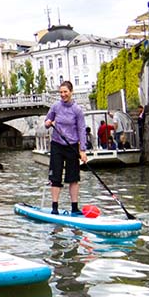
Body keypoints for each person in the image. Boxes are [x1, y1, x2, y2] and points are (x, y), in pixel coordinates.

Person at [44, 80, 88, 215]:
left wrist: (82, 150)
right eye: (61, 92)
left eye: (65, 92)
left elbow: (81, 129)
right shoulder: (56, 106)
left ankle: (74, 207)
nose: (63, 95)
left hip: (72, 146)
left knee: (73, 178)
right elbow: (47, 121)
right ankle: (54, 207)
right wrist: (48, 123)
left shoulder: (77, 110)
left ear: (71, 92)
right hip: (57, 144)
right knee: (55, 177)